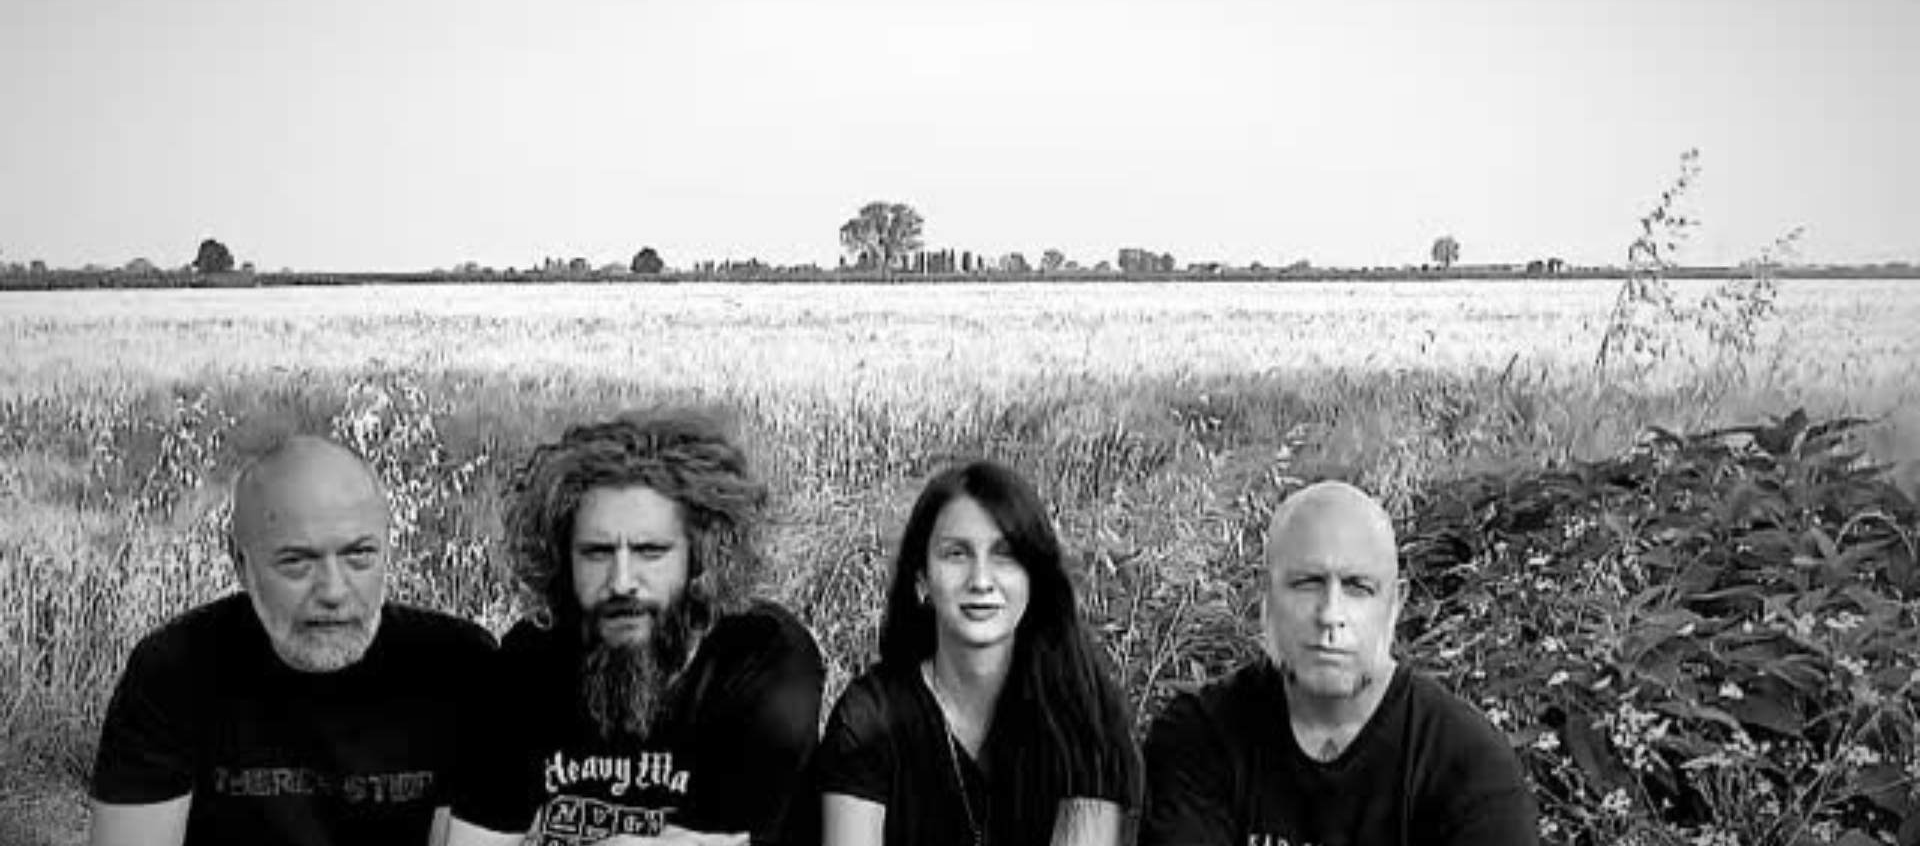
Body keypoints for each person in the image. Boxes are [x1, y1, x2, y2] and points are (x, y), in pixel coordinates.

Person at [87, 434, 496, 846]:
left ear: (388, 551)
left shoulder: (460, 666)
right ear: (241, 563)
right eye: (297, 562)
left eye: (359, 555)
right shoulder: (174, 671)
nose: (333, 591)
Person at [447, 409, 824, 846]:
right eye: (597, 552)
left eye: (650, 551)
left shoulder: (765, 662)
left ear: (701, 558)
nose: (621, 581)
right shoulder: (528, 660)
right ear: (563, 560)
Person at [1139, 480, 1538, 846]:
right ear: (1267, 598)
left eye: (1358, 587)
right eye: (1307, 583)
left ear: (1394, 605)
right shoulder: (1201, 736)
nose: (1330, 614)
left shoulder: (1466, 764)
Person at [814, 459, 1140, 846]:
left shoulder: (1084, 715)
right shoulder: (868, 718)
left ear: (1034, 578)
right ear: (922, 579)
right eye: (956, 554)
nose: (981, 580)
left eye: (1005, 554)